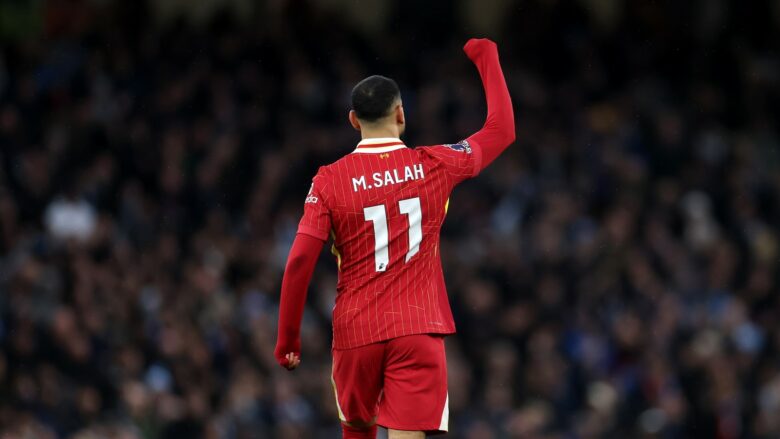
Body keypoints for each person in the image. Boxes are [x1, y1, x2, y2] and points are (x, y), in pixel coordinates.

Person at [274, 38, 515, 438]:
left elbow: (300, 260)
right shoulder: (435, 164)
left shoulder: (329, 181)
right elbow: (501, 130)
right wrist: (485, 55)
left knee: (358, 429)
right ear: (401, 114)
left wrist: (288, 339)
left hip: (356, 333)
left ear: (354, 121)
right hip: (417, 328)